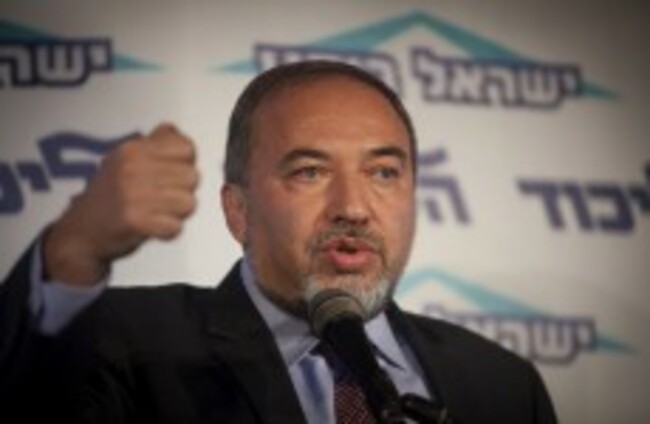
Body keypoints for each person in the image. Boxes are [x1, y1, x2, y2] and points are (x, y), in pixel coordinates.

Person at [0, 61, 557, 423]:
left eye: (384, 173)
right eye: (310, 172)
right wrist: (72, 250)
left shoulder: (503, 386)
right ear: (237, 211)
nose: (353, 207)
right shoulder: (126, 345)